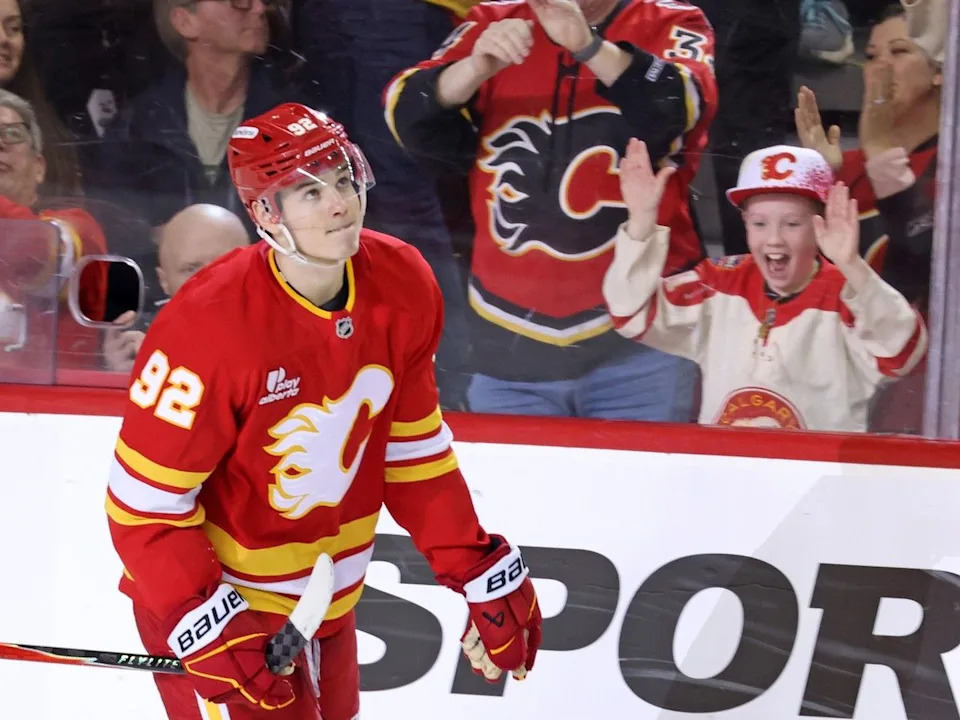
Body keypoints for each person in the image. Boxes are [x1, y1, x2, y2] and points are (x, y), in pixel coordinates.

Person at [104, 103, 542, 720]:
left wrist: (476, 566)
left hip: (326, 600)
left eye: (340, 178)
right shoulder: (206, 326)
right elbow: (143, 508)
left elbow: (412, 452)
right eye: (309, 192)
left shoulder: (403, 281)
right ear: (264, 213)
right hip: (226, 607)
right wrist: (200, 619)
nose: (339, 203)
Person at [385, 0, 717, 421]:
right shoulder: (493, 21)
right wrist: (475, 67)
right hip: (507, 349)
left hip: (644, 347)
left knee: (648, 487)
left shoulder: (674, 20)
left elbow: (681, 104)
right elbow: (402, 115)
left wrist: (587, 46)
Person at [603, 140, 927, 432]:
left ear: (822, 226)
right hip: (727, 481)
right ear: (744, 222)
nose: (773, 238)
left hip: (816, 487)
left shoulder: (850, 294)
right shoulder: (718, 284)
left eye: (792, 224)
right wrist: (642, 222)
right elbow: (630, 314)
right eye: (759, 223)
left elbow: (903, 351)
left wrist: (852, 265)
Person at [794, 0, 945, 433]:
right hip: (836, 387)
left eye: (899, 52)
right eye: (873, 56)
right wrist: (813, 187)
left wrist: (879, 150)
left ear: (939, 70)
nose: (880, 69)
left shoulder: (949, 168)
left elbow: (921, 262)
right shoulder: (847, 164)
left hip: (920, 392)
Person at [0, 88, 106, 372]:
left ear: (39, 168)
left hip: (51, 411)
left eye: (11, 133)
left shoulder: (79, 227)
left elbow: (31, 249)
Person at [102, 203, 249, 373]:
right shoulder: (145, 342)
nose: (212, 283)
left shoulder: (281, 332)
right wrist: (122, 373)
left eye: (226, 264)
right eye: (191, 269)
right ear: (164, 281)